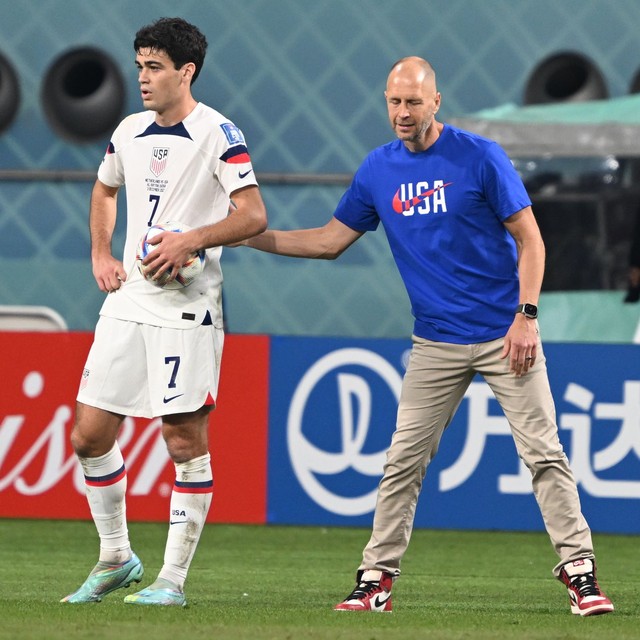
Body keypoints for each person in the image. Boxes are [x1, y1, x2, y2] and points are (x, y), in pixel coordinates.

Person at [235, 57, 614, 617]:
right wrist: (244, 236)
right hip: (436, 342)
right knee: (402, 462)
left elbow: (532, 242)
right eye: (394, 101)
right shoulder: (377, 170)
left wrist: (526, 316)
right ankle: (375, 581)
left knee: (544, 454)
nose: (403, 112)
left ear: (436, 102)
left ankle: (580, 574)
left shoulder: (480, 157)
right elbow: (327, 241)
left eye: (414, 101)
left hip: (502, 333)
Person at [61, 17, 267, 607]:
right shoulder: (127, 131)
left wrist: (191, 240)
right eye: (140, 66)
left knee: (182, 441)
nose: (143, 78)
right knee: (89, 434)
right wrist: (102, 252)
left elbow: (253, 215)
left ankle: (171, 582)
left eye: (155, 67)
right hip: (128, 304)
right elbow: (105, 189)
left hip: (187, 311)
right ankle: (116, 557)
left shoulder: (220, 134)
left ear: (187, 72)